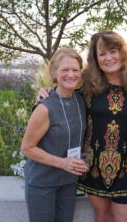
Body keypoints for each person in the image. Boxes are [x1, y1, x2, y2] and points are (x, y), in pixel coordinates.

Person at [37, 31, 127, 222]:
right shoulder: (87, 84)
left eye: (113, 51)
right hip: (93, 165)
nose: (108, 58)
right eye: (102, 54)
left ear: (122, 53)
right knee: (101, 216)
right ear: (95, 58)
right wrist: (46, 92)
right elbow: (64, 88)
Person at [21, 48, 88, 222]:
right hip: (42, 183)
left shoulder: (81, 99)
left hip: (68, 182)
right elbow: (27, 148)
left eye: (75, 69)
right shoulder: (45, 107)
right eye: (64, 70)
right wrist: (62, 163)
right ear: (54, 73)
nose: (71, 75)